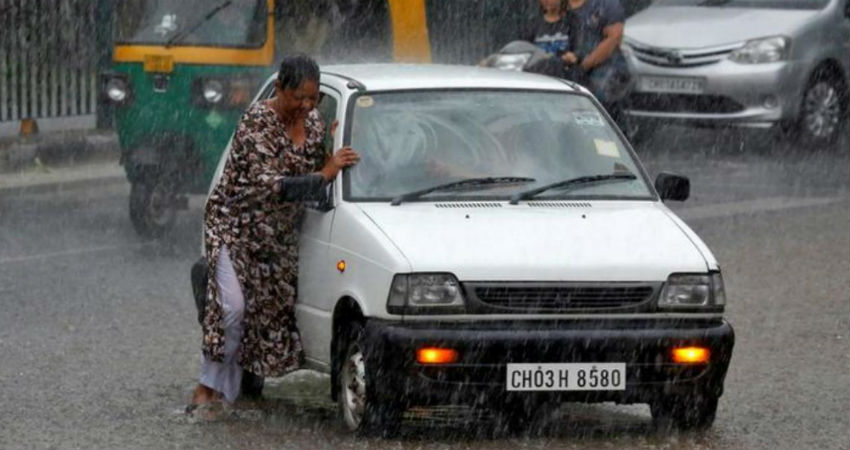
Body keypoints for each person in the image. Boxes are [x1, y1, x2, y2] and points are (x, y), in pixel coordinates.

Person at [188, 55, 359, 411]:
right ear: (279, 88)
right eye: (298, 97)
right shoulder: (256, 123)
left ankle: (230, 395)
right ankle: (206, 387)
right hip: (233, 227)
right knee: (231, 309)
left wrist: (332, 145)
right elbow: (273, 186)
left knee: (261, 319)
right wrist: (326, 173)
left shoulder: (313, 123)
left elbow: (319, 157)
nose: (306, 106)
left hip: (276, 236)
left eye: (312, 98)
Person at [566, 0, 631, 120]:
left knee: (604, 118)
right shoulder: (558, 6)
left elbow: (614, 38)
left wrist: (584, 65)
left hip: (603, 75)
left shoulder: (605, 5)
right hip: (565, 73)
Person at [523, 0, 581, 73]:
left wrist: (572, 57)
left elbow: (579, 50)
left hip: (565, 75)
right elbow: (525, 51)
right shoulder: (533, 24)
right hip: (538, 74)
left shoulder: (573, 21)